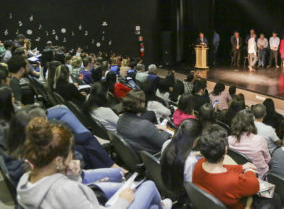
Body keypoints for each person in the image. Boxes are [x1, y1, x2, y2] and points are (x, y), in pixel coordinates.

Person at [16, 117, 170, 209]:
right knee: (149, 187)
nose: (73, 156)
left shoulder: (26, 180)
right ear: (58, 161)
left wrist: (72, 176)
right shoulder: (65, 190)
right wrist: (123, 200)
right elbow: (68, 195)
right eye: (71, 152)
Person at [193, 125, 279, 209]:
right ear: (226, 149)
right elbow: (255, 185)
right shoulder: (234, 181)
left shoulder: (199, 163)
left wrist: (241, 167)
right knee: (273, 194)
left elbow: (223, 167)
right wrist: (249, 171)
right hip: (240, 203)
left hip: (214, 201)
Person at [117, 90, 171, 154]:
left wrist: (154, 127)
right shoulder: (144, 125)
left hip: (135, 152)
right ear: (142, 104)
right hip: (153, 155)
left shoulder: (120, 119)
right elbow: (162, 143)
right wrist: (166, 131)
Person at [161, 119, 203, 196]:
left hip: (166, 181)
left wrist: (194, 154)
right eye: (197, 140)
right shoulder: (191, 162)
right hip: (181, 192)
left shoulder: (166, 144)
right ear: (193, 140)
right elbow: (190, 187)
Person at [228, 110, 270, 177]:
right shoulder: (259, 140)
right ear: (252, 123)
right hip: (257, 175)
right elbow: (267, 159)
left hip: (236, 172)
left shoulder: (228, 139)